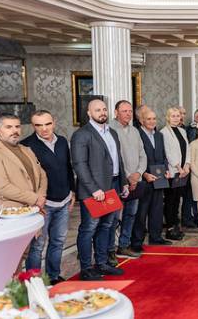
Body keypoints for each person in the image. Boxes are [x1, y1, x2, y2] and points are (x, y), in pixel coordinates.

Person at [71, 99, 128, 280]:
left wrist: (124, 182)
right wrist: (94, 189)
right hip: (94, 190)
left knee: (107, 226)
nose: (102, 113)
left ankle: (102, 263)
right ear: (89, 113)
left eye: (104, 109)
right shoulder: (82, 134)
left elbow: (117, 159)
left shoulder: (112, 132)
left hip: (113, 185)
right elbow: (80, 165)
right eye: (97, 110)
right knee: (89, 228)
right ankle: (86, 268)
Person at [0, 114, 48, 276]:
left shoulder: (26, 149)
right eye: (9, 127)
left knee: (28, 253)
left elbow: (42, 175)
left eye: (17, 126)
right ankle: (11, 291)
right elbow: (1, 187)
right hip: (13, 214)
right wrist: (35, 198)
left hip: (33, 211)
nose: (14, 130)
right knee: (12, 261)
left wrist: (40, 196)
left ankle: (27, 286)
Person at [21, 110, 74, 285]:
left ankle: (53, 276)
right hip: (43, 204)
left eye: (48, 124)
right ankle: (34, 282)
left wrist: (72, 191)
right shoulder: (26, 146)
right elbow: (26, 180)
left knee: (58, 241)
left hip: (64, 200)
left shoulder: (62, 141)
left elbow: (67, 168)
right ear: (33, 126)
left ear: (54, 122)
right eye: (39, 125)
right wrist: (34, 204)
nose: (44, 129)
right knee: (37, 246)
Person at [108, 100, 147, 259]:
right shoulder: (110, 129)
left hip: (135, 180)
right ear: (116, 112)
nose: (128, 114)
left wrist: (138, 173)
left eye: (130, 111)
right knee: (113, 218)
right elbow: (114, 158)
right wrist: (128, 176)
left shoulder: (135, 131)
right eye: (124, 111)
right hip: (118, 181)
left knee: (131, 214)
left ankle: (123, 246)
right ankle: (110, 249)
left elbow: (142, 155)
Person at [133, 108, 171, 247]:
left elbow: (163, 156)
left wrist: (166, 170)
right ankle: (137, 241)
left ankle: (156, 237)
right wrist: (144, 174)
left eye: (154, 118)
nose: (152, 121)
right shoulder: (137, 134)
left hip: (159, 178)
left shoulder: (159, 135)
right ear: (141, 120)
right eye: (148, 119)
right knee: (141, 212)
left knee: (157, 209)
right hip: (144, 179)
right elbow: (135, 158)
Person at [160, 107, 190, 241]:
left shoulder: (182, 131)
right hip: (173, 172)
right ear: (168, 117)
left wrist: (187, 165)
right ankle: (170, 229)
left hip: (183, 172)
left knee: (177, 200)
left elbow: (187, 149)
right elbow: (168, 153)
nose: (176, 118)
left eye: (178, 116)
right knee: (170, 201)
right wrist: (179, 167)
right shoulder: (164, 132)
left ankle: (176, 226)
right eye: (173, 116)